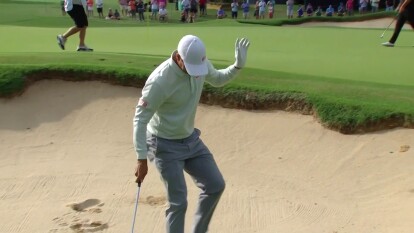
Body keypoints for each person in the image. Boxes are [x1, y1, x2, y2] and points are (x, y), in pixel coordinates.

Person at [133, 34, 250, 233]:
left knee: (215, 185)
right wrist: (141, 158)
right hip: (163, 144)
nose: (196, 73)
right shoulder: (160, 81)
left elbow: (218, 79)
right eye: (190, 67)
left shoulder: (199, 64)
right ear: (178, 57)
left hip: (190, 140)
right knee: (178, 202)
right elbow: (140, 119)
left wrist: (237, 66)